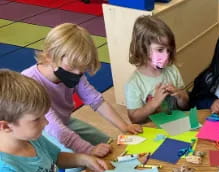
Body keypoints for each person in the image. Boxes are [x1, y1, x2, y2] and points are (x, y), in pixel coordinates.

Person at [22, 23, 141, 160]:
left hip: (64, 121)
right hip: (41, 131)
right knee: (77, 158)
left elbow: (96, 101)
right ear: (50, 57)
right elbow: (55, 128)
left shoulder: (74, 73)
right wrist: (88, 150)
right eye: (72, 66)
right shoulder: (31, 83)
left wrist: (124, 126)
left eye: (81, 68)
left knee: (107, 143)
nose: (78, 73)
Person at [0, 69, 108, 172]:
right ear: (6, 126)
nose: (45, 123)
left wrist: (85, 159)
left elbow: (56, 157)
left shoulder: (31, 138)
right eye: (37, 119)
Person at [125, 15, 190, 123]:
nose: (166, 55)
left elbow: (185, 104)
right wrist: (154, 102)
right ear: (142, 49)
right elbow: (134, 118)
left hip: (175, 124)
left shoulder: (172, 70)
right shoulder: (134, 83)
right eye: (160, 50)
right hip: (151, 132)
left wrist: (180, 95)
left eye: (168, 50)